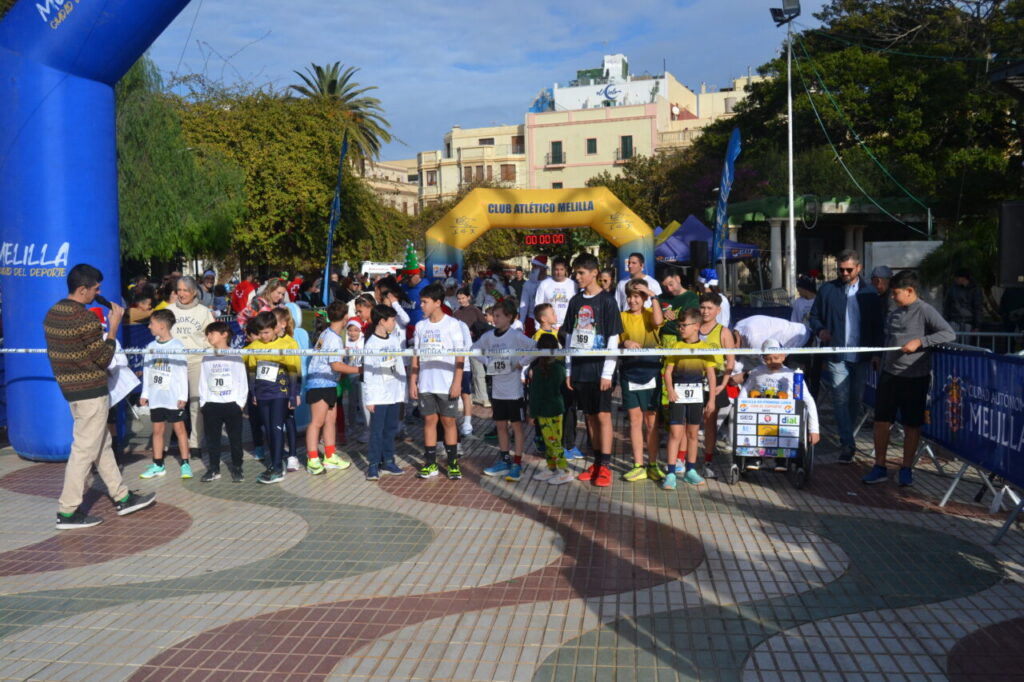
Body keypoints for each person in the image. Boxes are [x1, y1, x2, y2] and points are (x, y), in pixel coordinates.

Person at [44, 263, 156, 529]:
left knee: (101, 444)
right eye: (95, 289)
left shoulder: (52, 313)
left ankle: (122, 496)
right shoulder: (85, 318)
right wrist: (113, 328)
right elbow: (104, 358)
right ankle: (68, 511)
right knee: (84, 450)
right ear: (82, 289)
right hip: (91, 391)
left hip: (71, 390)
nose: (98, 292)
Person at [864, 270, 955, 486]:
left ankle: (906, 468)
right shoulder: (894, 312)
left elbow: (949, 333)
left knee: (911, 425)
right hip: (889, 374)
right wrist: (879, 356)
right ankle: (879, 466)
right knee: (881, 421)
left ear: (910, 291)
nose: (893, 297)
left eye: (896, 293)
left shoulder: (925, 310)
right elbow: (888, 338)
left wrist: (920, 342)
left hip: (915, 377)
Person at [808, 249, 884, 463]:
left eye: (849, 269)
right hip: (836, 354)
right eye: (841, 269)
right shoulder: (828, 290)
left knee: (855, 400)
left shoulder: (869, 293)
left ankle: (846, 437)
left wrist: (877, 353)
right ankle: (848, 443)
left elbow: (878, 325)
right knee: (840, 398)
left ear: (858, 268)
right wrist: (821, 330)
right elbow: (814, 317)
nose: (844, 273)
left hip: (861, 355)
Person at [561, 252, 623, 487]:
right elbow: (569, 338)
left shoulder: (607, 301)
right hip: (580, 369)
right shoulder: (575, 301)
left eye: (581, 273)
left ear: (594, 273)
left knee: (603, 416)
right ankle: (596, 462)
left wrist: (607, 372)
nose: (577, 277)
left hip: (600, 370)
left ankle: (605, 466)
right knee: (588, 417)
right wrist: (568, 369)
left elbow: (613, 338)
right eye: (575, 273)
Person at [410, 282, 468, 480]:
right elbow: (416, 356)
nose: (421, 306)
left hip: (447, 383)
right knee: (429, 421)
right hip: (426, 383)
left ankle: (453, 464)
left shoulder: (453, 324)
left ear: (437, 303)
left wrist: (457, 382)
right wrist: (413, 381)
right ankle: (431, 464)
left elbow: (460, 357)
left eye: (424, 302)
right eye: (421, 301)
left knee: (449, 422)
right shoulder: (420, 326)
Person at [476, 299, 537, 482]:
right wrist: (488, 363)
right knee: (500, 426)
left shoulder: (515, 335)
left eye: (498, 316)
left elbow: (535, 348)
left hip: (514, 392)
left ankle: (517, 463)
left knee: (516, 427)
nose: (494, 319)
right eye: (493, 316)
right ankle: (504, 459)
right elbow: (474, 349)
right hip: (497, 392)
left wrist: (521, 363)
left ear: (509, 317)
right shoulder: (488, 337)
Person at [738, 339, 821, 472]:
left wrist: (814, 429)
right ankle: (754, 457)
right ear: (763, 358)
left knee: (788, 427)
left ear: (783, 356)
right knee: (753, 424)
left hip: (784, 416)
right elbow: (744, 392)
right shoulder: (756, 372)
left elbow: (808, 400)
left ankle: (781, 459)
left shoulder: (792, 375)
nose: (772, 362)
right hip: (760, 413)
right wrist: (741, 407)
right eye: (768, 359)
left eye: (776, 358)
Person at [304, 300, 361, 476]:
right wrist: (359, 370)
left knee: (331, 420)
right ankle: (312, 459)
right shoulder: (332, 337)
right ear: (345, 318)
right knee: (317, 422)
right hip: (319, 382)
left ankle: (329, 455)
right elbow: (336, 365)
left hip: (329, 383)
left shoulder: (328, 334)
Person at [244, 311, 302, 484]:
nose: (263, 336)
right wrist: (253, 393)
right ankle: (275, 462)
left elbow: (294, 371)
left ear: (276, 329)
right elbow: (252, 370)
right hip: (262, 394)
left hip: (280, 393)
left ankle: (277, 467)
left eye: (266, 332)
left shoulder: (288, 344)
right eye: (260, 333)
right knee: (268, 429)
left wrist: (293, 394)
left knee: (277, 427)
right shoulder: (255, 346)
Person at [663, 307, 716, 489]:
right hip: (678, 393)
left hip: (696, 395)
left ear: (696, 326)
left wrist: (712, 400)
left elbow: (711, 374)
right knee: (675, 433)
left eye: (684, 325)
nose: (681, 329)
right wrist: (670, 390)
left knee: (693, 434)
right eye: (679, 326)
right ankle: (671, 472)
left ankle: (690, 470)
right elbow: (668, 372)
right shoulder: (676, 347)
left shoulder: (705, 348)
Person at [619, 279, 666, 483]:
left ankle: (653, 464)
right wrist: (624, 341)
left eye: (637, 296)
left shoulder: (650, 313)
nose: (632, 300)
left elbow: (658, 322)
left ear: (644, 298)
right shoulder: (621, 316)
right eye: (629, 296)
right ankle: (638, 465)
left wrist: (652, 294)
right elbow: (615, 340)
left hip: (650, 371)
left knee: (651, 422)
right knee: (635, 420)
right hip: (630, 371)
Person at [164, 276, 216, 461]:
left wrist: (210, 358)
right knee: (170, 402)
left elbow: (212, 337)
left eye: (186, 290)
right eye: (179, 290)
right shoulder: (168, 311)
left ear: (194, 292)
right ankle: (163, 445)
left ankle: (195, 443)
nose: (182, 293)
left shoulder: (204, 312)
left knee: (196, 404)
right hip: (174, 362)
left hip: (196, 360)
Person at [138, 309, 192, 480]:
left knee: (180, 429)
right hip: (156, 396)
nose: (149, 327)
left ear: (161, 326)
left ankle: (185, 463)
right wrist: (145, 393)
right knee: (157, 431)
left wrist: (183, 396)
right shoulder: (150, 347)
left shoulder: (177, 347)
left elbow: (182, 373)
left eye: (151, 323)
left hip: (173, 397)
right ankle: (158, 464)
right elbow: (147, 371)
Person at [198, 321, 248, 483]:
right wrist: (204, 402)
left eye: (212, 333)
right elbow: (203, 381)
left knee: (235, 439)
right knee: (212, 440)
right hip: (211, 404)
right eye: (208, 334)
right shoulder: (207, 356)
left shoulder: (235, 355)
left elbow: (242, 380)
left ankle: (237, 467)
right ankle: (213, 469)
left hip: (232, 404)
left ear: (224, 334)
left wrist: (240, 403)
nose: (209, 337)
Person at [362, 304, 408, 479]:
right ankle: (373, 464)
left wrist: (402, 391)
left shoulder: (394, 339)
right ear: (382, 321)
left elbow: (399, 366)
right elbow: (368, 373)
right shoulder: (371, 344)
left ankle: (388, 460)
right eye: (392, 320)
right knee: (377, 431)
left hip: (394, 393)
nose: (395, 323)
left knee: (390, 429)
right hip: (378, 395)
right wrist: (369, 399)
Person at [697, 292, 736, 479]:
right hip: (693, 378)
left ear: (718, 310)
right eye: (703, 307)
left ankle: (708, 461)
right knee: (688, 422)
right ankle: (683, 460)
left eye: (709, 308)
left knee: (709, 422)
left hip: (716, 381)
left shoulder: (723, 332)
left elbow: (730, 362)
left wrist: (724, 384)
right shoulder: (693, 327)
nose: (705, 311)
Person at [528, 333, 575, 485]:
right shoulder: (560, 368)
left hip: (545, 411)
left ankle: (564, 471)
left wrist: (532, 412)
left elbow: (534, 394)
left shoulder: (538, 371)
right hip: (557, 409)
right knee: (552, 440)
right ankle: (552, 467)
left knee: (552, 442)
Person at [453, 286, 491, 417]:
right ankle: (466, 397)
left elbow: (485, 325)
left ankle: (483, 396)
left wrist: (474, 331)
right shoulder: (456, 313)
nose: (461, 301)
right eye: (459, 299)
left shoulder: (475, 310)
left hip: (475, 343)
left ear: (468, 297)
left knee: (478, 371)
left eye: (463, 298)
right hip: (462, 346)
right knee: (463, 372)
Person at [657, 265, 699, 346]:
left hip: (683, 346)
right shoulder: (660, 298)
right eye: (665, 287)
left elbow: (689, 324)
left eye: (671, 284)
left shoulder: (691, 298)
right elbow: (652, 320)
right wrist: (661, 314)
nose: (669, 289)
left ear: (678, 279)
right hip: (662, 347)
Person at [534, 256, 577, 330]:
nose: (559, 272)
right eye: (556, 269)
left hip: (567, 326)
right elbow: (538, 306)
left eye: (561, 269)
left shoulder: (573, 285)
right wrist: (537, 326)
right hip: (548, 327)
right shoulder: (544, 284)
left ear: (565, 270)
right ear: (553, 270)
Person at [943, 268, 983, 332]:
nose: (955, 280)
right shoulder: (952, 289)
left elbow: (978, 308)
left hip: (968, 321)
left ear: (963, 278)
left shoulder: (975, 290)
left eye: (956, 278)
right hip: (954, 321)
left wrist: (977, 325)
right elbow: (947, 306)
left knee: (965, 340)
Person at [518, 255, 548, 334]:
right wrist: (521, 323)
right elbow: (523, 304)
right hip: (531, 319)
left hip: (547, 320)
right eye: (532, 266)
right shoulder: (527, 284)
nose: (533, 269)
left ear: (542, 268)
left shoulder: (550, 282)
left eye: (535, 267)